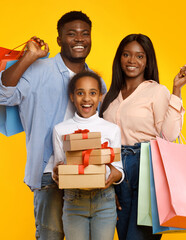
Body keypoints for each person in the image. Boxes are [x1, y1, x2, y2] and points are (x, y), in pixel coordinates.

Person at [0, 11, 106, 240]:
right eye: (71, 34)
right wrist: (28, 58)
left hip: (85, 174)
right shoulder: (38, 70)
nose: (79, 39)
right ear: (60, 40)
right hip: (46, 174)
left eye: (85, 34)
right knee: (50, 236)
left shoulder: (96, 81)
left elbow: (101, 130)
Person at [99, 34, 186, 240]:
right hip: (116, 168)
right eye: (126, 55)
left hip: (147, 166)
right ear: (119, 58)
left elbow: (169, 135)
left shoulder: (157, 91)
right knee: (123, 235)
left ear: (147, 60)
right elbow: (102, 140)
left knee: (139, 236)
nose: (132, 61)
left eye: (140, 56)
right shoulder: (108, 97)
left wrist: (176, 90)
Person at [52, 71, 124, 240]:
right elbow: (59, 168)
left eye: (92, 93)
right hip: (73, 201)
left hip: (104, 200)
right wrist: (57, 174)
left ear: (100, 96)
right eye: (80, 93)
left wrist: (115, 175)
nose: (86, 99)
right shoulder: (60, 129)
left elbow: (119, 171)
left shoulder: (111, 129)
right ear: (72, 97)